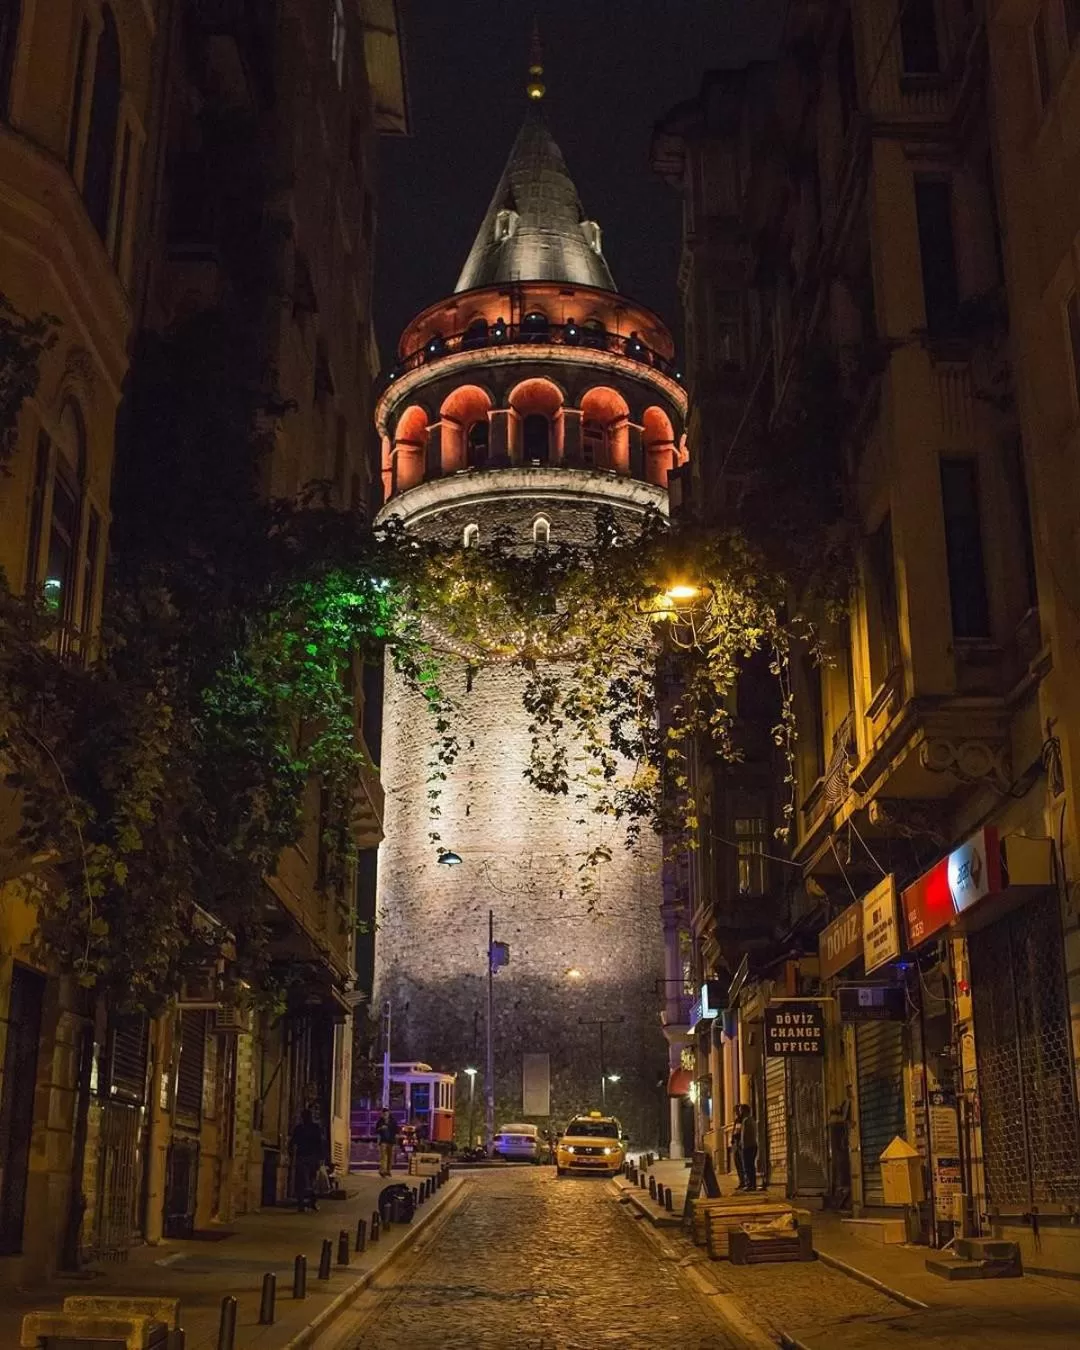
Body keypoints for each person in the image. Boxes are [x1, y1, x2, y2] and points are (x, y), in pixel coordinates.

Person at [290, 1109, 323, 1213]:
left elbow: (293, 1142)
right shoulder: (314, 1128)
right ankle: (310, 1202)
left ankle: (303, 1204)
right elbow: (320, 1143)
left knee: (303, 1182)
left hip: (304, 1157)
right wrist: (320, 1157)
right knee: (310, 1182)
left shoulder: (300, 1128)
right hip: (310, 1157)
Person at [740, 1103, 759, 1192]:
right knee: (751, 1166)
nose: (740, 1113)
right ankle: (753, 1184)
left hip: (747, 1146)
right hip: (753, 1145)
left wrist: (742, 1145)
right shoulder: (752, 1120)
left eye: (741, 1110)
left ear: (744, 1111)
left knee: (747, 1166)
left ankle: (749, 1184)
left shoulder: (746, 1121)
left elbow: (744, 1135)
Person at [375, 1107, 398, 1178]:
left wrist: (396, 1140)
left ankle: (388, 1171)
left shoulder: (393, 1121)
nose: (385, 1115)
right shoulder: (380, 1121)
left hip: (391, 1141)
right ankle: (382, 1171)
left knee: (390, 1157)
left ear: (388, 1113)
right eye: (384, 1113)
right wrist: (381, 1128)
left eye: (386, 1113)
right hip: (383, 1141)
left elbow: (396, 1130)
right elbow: (376, 1130)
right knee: (383, 1157)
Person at [731, 1107, 747, 1190]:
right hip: (736, 1144)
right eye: (736, 1111)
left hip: (740, 1144)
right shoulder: (737, 1120)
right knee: (738, 1163)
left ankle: (744, 1181)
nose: (737, 1113)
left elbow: (739, 1131)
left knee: (742, 1163)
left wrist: (736, 1138)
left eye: (738, 1111)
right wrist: (732, 1139)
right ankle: (742, 1181)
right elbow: (735, 1130)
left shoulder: (742, 1120)